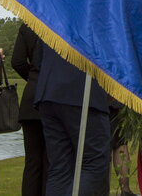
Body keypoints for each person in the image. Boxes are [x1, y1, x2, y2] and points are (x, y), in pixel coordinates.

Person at [35, 43, 111, 195]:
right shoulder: (95, 18)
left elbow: (38, 59)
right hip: (81, 90)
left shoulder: (55, 17)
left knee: (60, 167)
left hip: (49, 90)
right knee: (94, 162)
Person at [11, 23, 49, 196]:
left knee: (32, 161)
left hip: (31, 96)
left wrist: (33, 78)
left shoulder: (28, 25)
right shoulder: (59, 21)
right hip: (53, 95)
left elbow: (17, 61)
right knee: (51, 160)